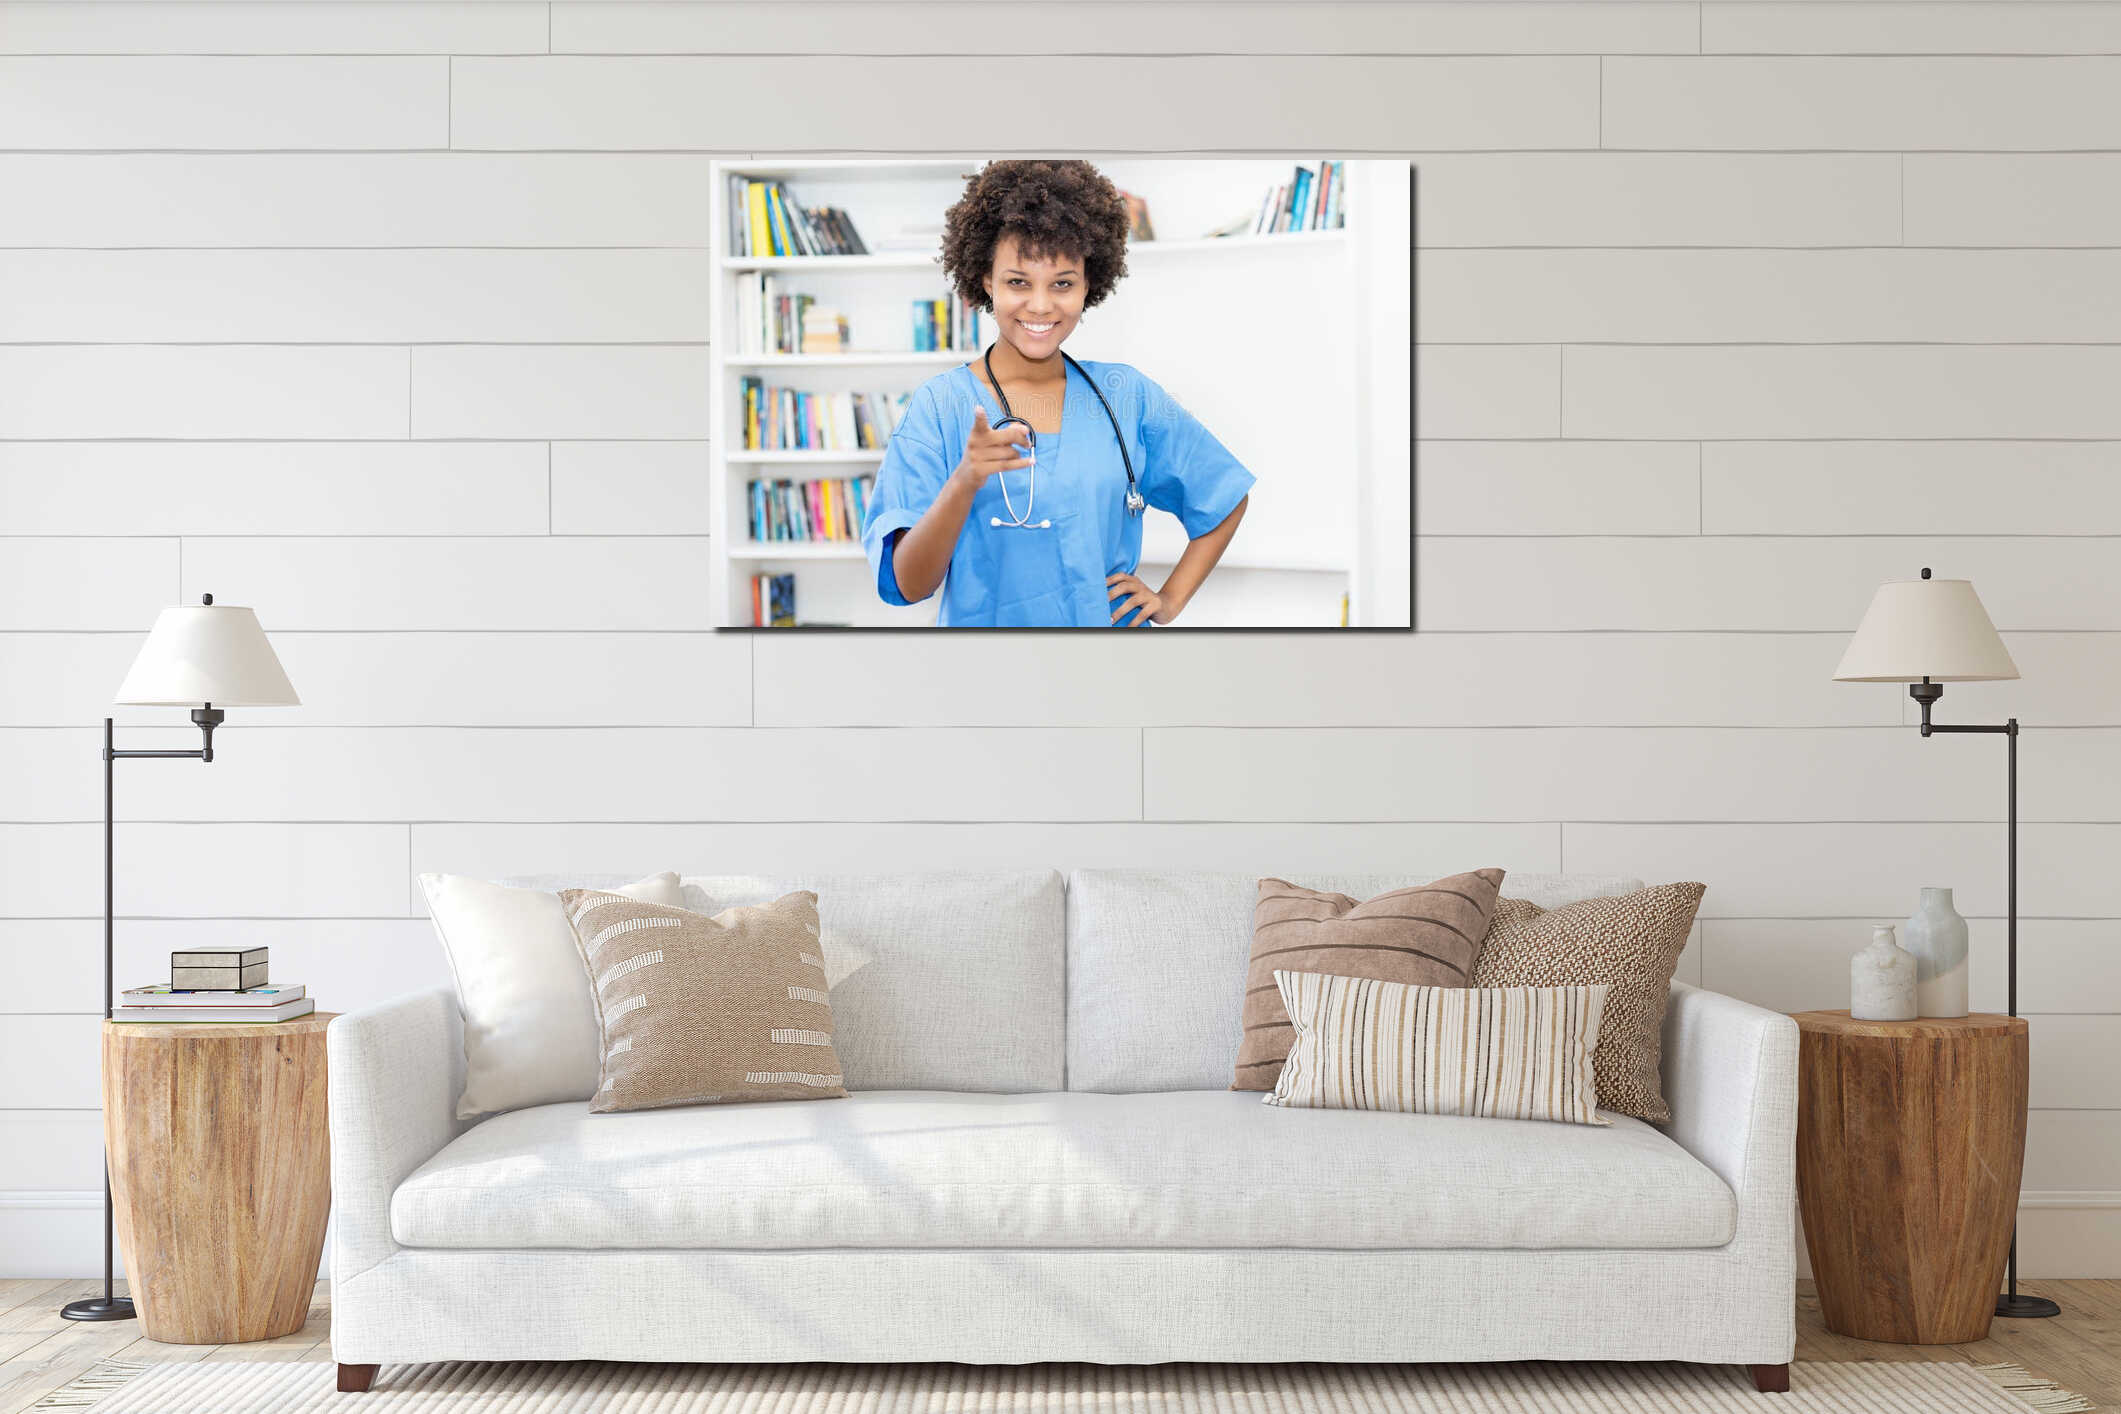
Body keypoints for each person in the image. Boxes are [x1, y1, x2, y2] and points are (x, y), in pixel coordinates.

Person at [860, 160, 1254, 626]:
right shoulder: (940, 406)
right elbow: (909, 585)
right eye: (1017, 282)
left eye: (1063, 283)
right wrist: (964, 481)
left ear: (1089, 285)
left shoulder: (1124, 395)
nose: (1042, 305)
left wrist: (1169, 600)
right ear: (987, 281)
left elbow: (1225, 496)